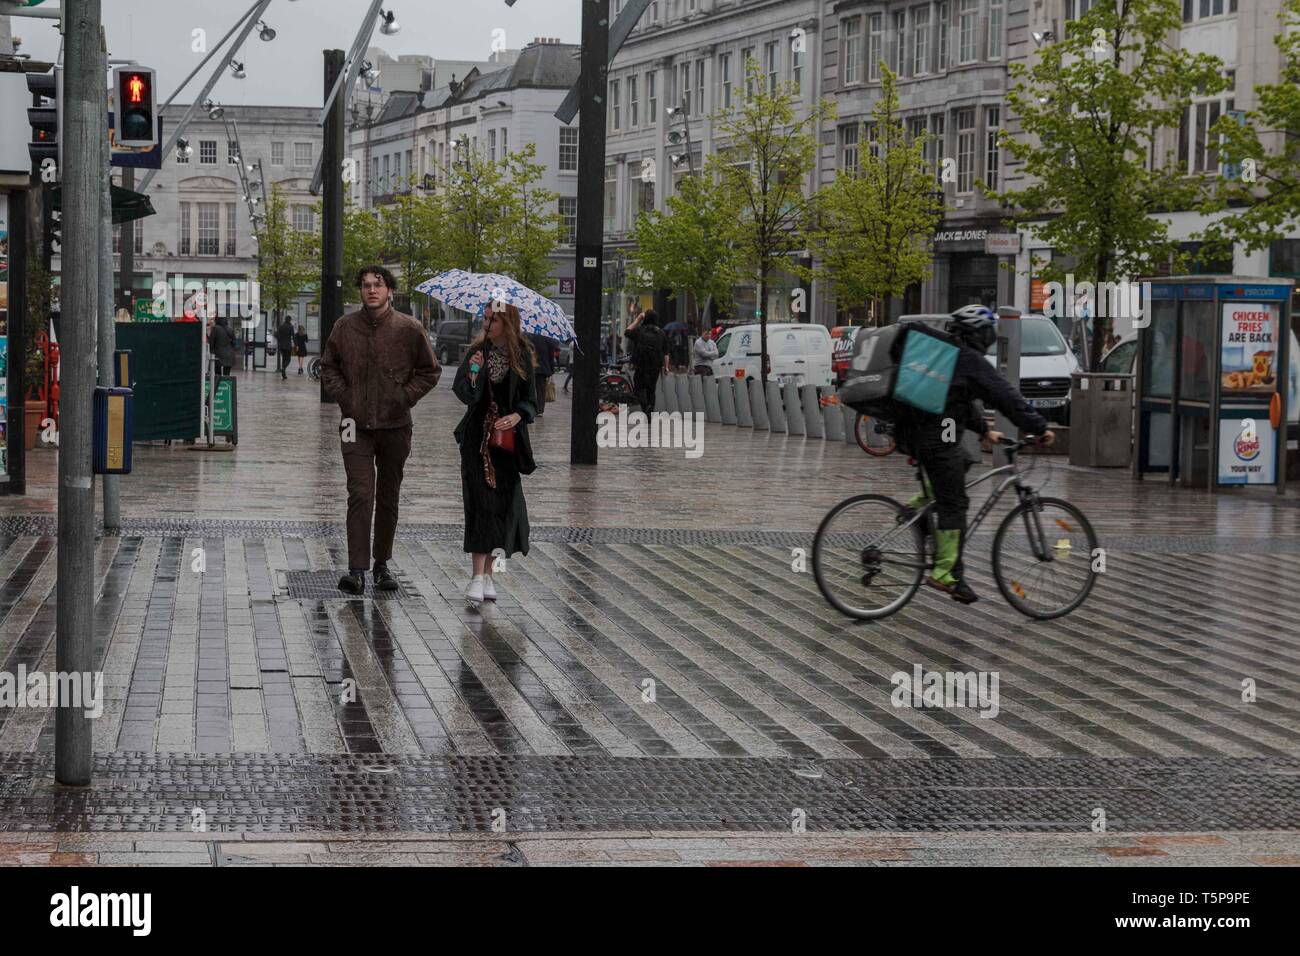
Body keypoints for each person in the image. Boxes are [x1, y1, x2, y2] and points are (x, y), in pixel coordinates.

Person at [894, 305, 1055, 605]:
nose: (990, 339)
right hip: (935, 436)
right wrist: (1039, 426)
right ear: (978, 333)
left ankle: (916, 510)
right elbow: (1004, 395)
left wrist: (984, 430)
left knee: (962, 462)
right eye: (988, 333)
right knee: (954, 502)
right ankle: (946, 573)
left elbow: (955, 400)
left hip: (914, 432)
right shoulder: (968, 359)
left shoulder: (949, 356)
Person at [320, 266, 441, 594]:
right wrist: (346, 397)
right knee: (360, 494)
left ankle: (382, 565)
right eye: (365, 285)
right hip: (353, 425)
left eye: (378, 285)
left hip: (395, 425)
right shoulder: (344, 327)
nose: (371, 290)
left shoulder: (408, 328)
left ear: (390, 290)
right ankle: (356, 569)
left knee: (388, 496)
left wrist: (404, 397)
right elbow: (327, 367)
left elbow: (430, 371)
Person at [453, 303, 538, 606]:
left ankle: (489, 574)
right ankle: (476, 575)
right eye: (486, 319)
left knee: (501, 506)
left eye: (495, 320)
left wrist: (517, 416)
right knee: (480, 504)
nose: (488, 324)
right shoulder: (477, 352)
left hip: (506, 444)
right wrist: (475, 372)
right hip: (477, 441)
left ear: (509, 322)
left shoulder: (522, 355)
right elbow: (464, 393)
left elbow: (532, 401)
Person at [623, 309, 670, 413]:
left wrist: (638, 320)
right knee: (651, 389)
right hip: (655, 366)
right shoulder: (661, 333)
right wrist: (666, 367)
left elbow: (627, 332)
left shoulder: (639, 330)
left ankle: (645, 406)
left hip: (640, 364)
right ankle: (650, 411)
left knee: (638, 388)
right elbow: (666, 353)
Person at [526, 330, 556, 418]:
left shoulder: (528, 336)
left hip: (530, 367)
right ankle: (539, 410)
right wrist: (551, 370)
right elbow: (551, 357)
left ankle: (531, 408)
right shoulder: (547, 338)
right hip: (542, 368)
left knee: (530, 389)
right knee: (540, 390)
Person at [274, 314, 296, 380]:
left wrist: (280, 340)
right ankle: (284, 368)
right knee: (288, 359)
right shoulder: (290, 327)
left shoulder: (281, 326)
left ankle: (284, 374)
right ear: (289, 320)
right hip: (288, 345)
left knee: (284, 358)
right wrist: (296, 344)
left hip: (281, 345)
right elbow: (294, 336)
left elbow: (276, 334)